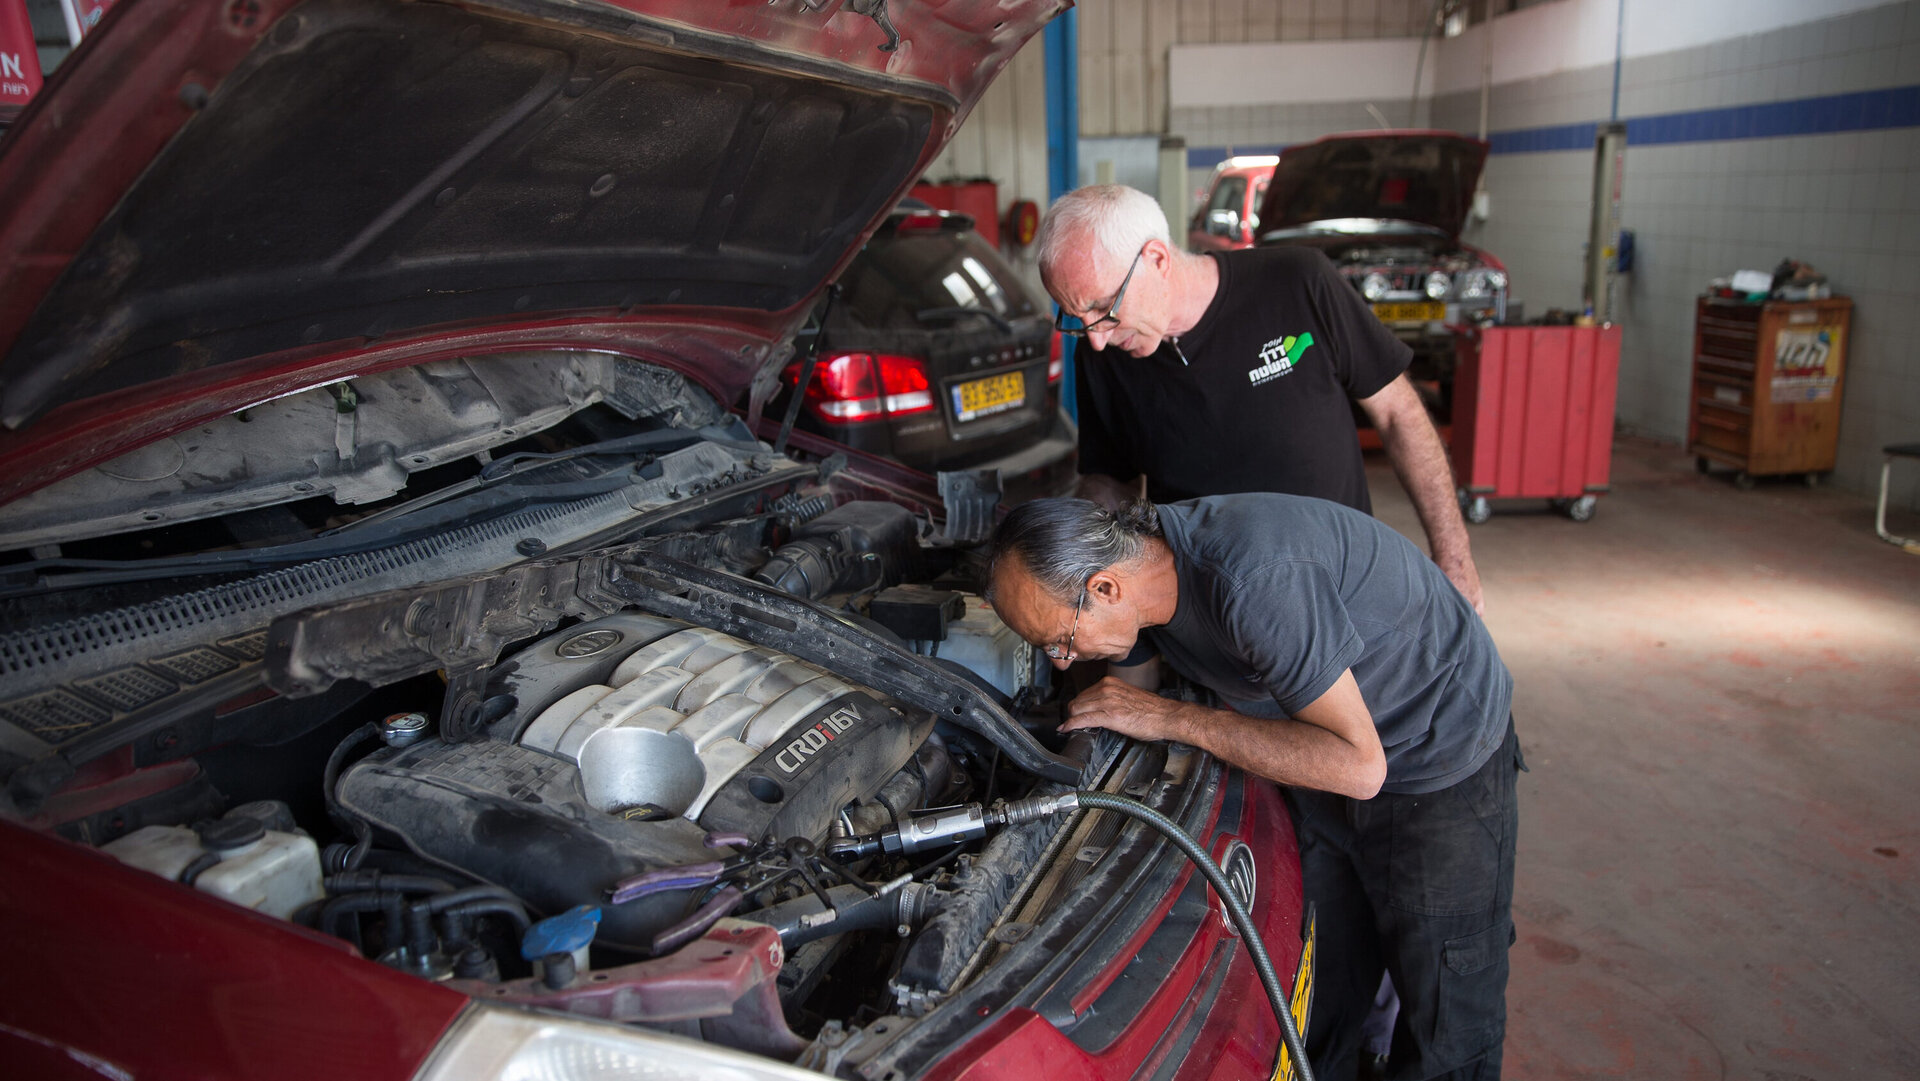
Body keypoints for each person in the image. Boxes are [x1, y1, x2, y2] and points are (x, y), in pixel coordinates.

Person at [987, 495, 1521, 1081]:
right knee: (1323, 982)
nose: (1062, 663)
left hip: (1435, 746)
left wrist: (1174, 718)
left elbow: (1359, 769)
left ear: (1107, 589)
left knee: (1445, 1009)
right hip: (1317, 745)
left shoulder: (1252, 580)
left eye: (1060, 640)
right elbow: (1130, 702)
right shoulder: (1139, 582)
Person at [1034, 184, 1483, 614]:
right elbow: (1112, 483)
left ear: (1156, 259)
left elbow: (1399, 415)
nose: (1095, 338)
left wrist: (1455, 561)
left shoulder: (1298, 284)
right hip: (1215, 612)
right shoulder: (1103, 357)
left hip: (1343, 596)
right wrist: (1071, 549)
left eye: (1105, 309)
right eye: (1076, 317)